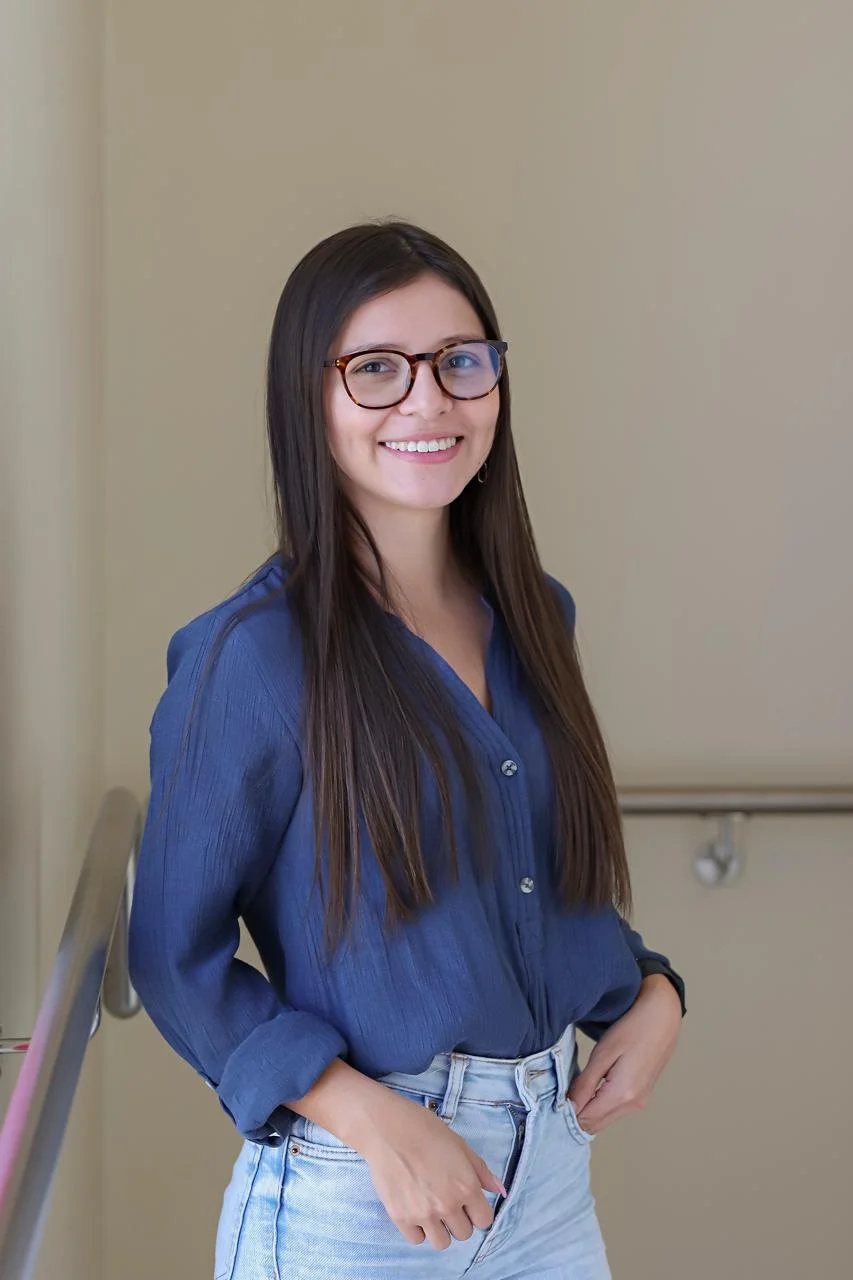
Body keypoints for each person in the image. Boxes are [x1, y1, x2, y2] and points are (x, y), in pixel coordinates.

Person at [129, 220, 686, 1280]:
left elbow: (525, 880)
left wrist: (651, 990)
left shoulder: (532, 618)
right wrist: (370, 1117)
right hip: (361, 1188)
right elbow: (171, 952)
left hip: (548, 1183)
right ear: (310, 396)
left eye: (460, 362)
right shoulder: (251, 657)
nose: (429, 401)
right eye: (377, 369)